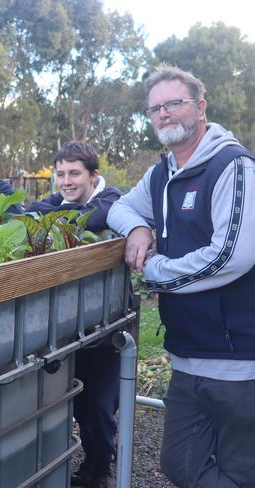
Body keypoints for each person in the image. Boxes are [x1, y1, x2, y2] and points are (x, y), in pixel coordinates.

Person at [107, 65, 255, 487]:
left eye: (174, 103)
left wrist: (155, 272)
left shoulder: (234, 166)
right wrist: (137, 227)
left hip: (239, 361)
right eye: (155, 109)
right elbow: (118, 206)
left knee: (241, 471)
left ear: (201, 107)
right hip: (186, 357)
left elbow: (232, 255)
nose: (164, 114)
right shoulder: (161, 174)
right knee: (178, 465)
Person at [27, 141, 122, 488]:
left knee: (96, 405)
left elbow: (96, 216)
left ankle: (99, 470)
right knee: (61, 401)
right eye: (61, 174)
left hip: (104, 326)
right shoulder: (57, 202)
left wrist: (51, 218)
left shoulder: (112, 198)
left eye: (74, 173)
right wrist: (50, 213)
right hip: (63, 325)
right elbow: (26, 214)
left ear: (93, 175)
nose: (66, 181)